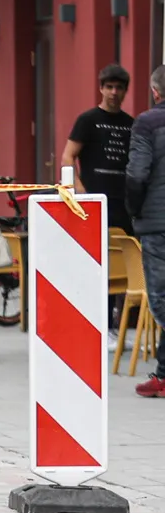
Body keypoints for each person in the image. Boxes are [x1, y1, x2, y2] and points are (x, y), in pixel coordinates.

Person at [124, 66, 165, 396]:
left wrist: (134, 211)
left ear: (155, 91)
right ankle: (163, 375)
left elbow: (137, 174)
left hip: (158, 223)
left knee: (161, 300)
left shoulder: (147, 123)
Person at [64, 65, 134, 233]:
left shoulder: (131, 124)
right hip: (93, 198)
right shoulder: (87, 120)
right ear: (101, 89)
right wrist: (79, 189)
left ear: (125, 91)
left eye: (119, 88)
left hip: (123, 202)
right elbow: (68, 156)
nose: (114, 92)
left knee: (122, 245)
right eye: (109, 87)